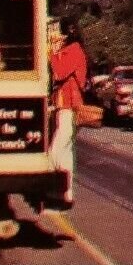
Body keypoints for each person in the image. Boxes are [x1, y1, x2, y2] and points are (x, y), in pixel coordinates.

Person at [46, 17, 87, 211]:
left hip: (70, 106)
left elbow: (60, 72)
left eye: (59, 33)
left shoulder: (74, 51)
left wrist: (52, 53)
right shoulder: (71, 50)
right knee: (66, 152)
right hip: (65, 105)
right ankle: (67, 193)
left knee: (56, 150)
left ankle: (52, 188)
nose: (56, 37)